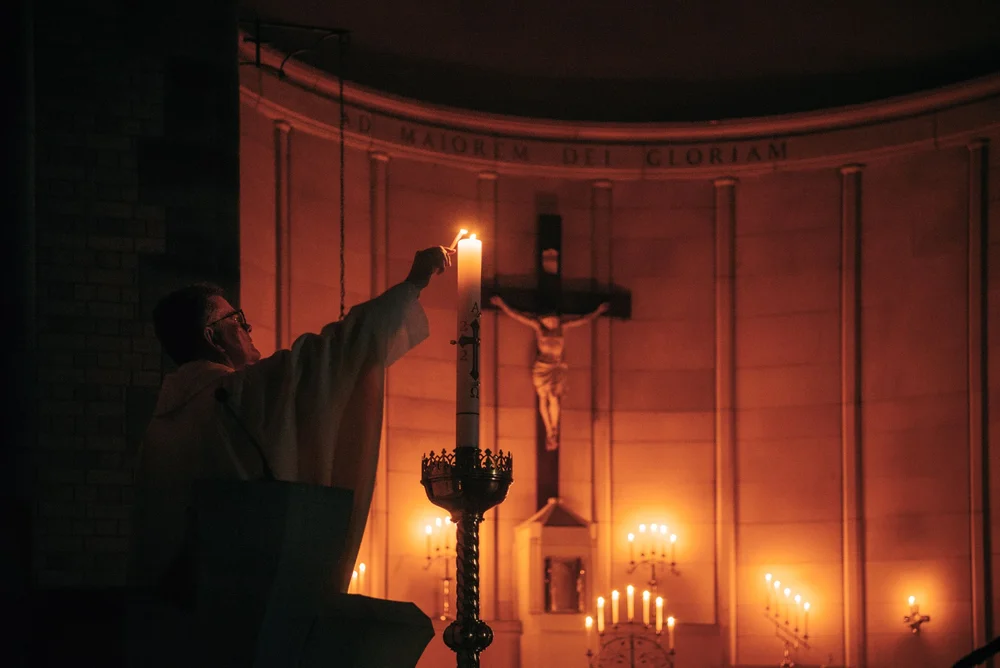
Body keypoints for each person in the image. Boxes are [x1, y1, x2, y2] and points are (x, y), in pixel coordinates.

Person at [129, 245, 453, 602]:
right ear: (211, 337)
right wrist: (412, 284)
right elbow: (335, 353)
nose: (247, 328)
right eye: (236, 319)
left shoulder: (161, 423)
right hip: (248, 597)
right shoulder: (235, 395)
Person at [490, 295, 609, 450]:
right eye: (549, 319)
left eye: (555, 319)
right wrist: (502, 304)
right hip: (542, 368)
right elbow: (517, 315)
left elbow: (582, 320)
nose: (552, 322)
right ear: (543, 319)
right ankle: (549, 429)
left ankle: (554, 429)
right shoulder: (538, 328)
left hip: (557, 366)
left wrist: (598, 311)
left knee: (554, 397)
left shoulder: (562, 328)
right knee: (544, 396)